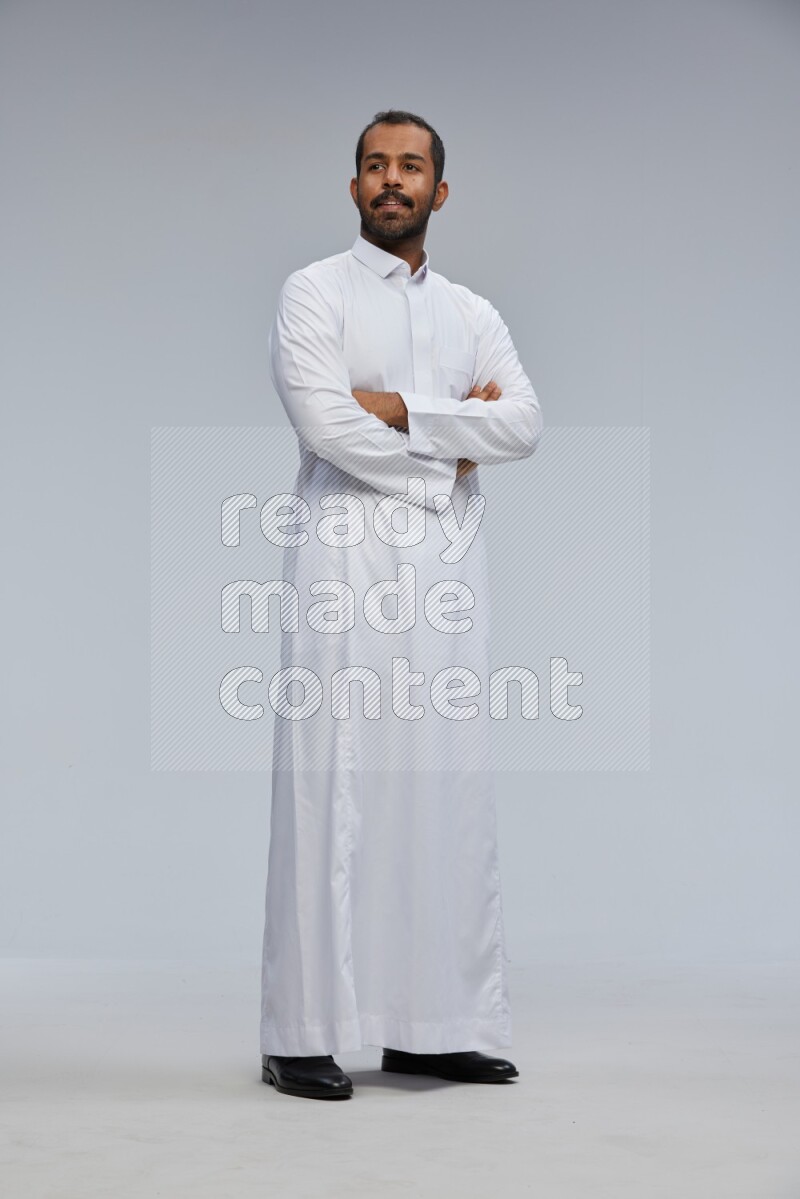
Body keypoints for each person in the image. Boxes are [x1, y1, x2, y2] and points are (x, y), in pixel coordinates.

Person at [260, 109, 543, 1100]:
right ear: (352, 188)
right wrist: (447, 444)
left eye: (409, 166)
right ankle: (301, 1028)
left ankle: (432, 1025)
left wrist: (406, 408)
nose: (391, 180)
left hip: (448, 576)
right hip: (345, 561)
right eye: (374, 166)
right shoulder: (314, 292)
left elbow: (524, 422)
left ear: (439, 190)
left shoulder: (470, 311)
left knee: (441, 788)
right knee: (330, 783)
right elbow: (325, 421)